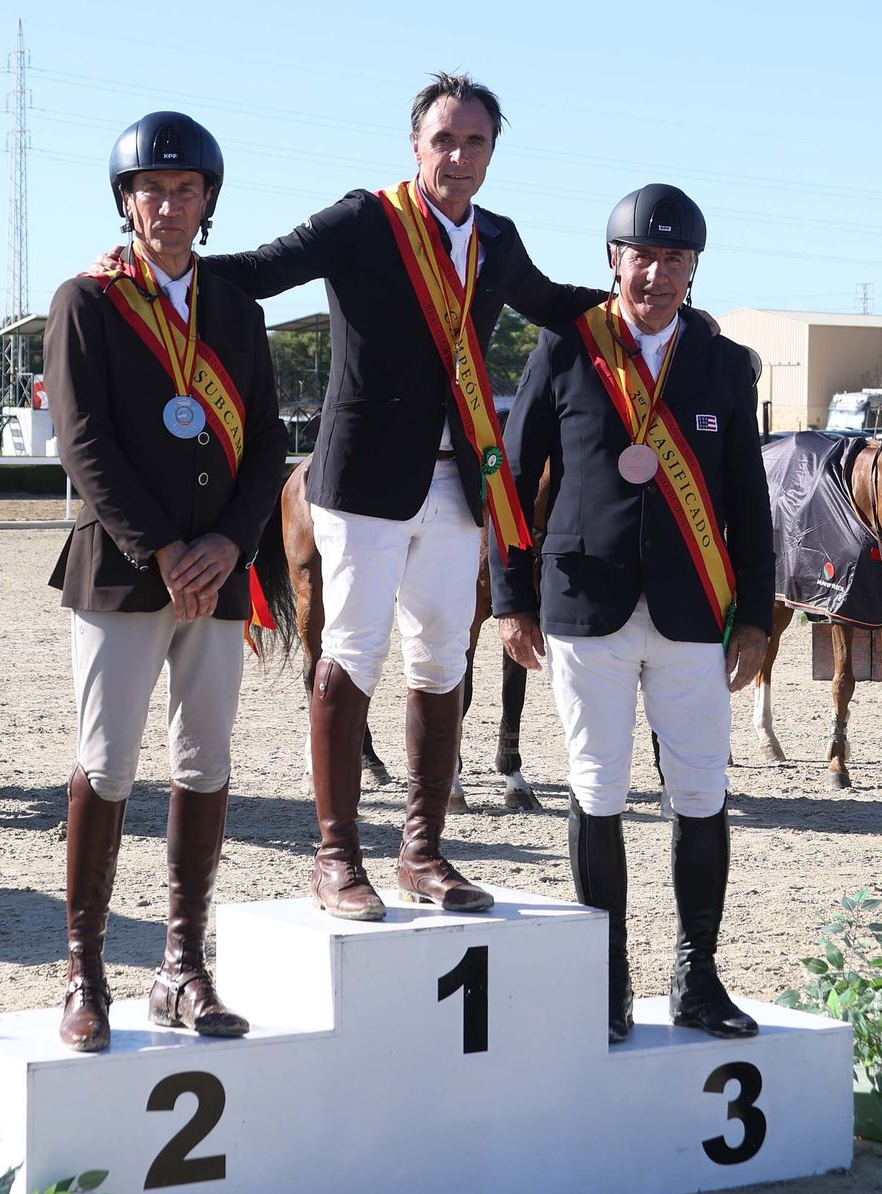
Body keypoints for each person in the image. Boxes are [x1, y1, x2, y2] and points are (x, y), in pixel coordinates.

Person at [162, 72, 608, 921]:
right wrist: (157, 275)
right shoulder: (365, 219)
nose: (458, 156)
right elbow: (257, 271)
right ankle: (336, 857)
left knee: (444, 664)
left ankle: (423, 852)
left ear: (492, 152)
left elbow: (554, 306)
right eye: (444, 139)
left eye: (475, 142)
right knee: (354, 656)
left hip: (456, 485)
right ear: (416, 146)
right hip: (362, 481)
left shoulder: (497, 239)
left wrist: (641, 304)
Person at [493, 186, 774, 1044]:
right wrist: (510, 598)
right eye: (640, 257)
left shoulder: (726, 366)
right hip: (585, 606)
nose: (655, 274)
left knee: (700, 792)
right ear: (613, 260)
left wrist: (756, 618)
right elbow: (511, 477)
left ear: (694, 271)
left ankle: (698, 974)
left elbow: (748, 502)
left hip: (695, 612)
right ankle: (604, 983)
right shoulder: (567, 349)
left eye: (674, 260)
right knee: (597, 789)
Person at [46, 111, 286, 1052]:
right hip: (122, 573)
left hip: (219, 578)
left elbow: (267, 439)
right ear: (126, 201)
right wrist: (163, 550)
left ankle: (183, 968)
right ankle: (84, 972)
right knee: (106, 764)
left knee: (207, 763)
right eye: (154, 188)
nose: (171, 205)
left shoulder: (235, 311)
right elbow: (85, 444)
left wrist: (230, 543)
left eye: (189, 190)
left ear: (209, 204)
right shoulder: (88, 302)